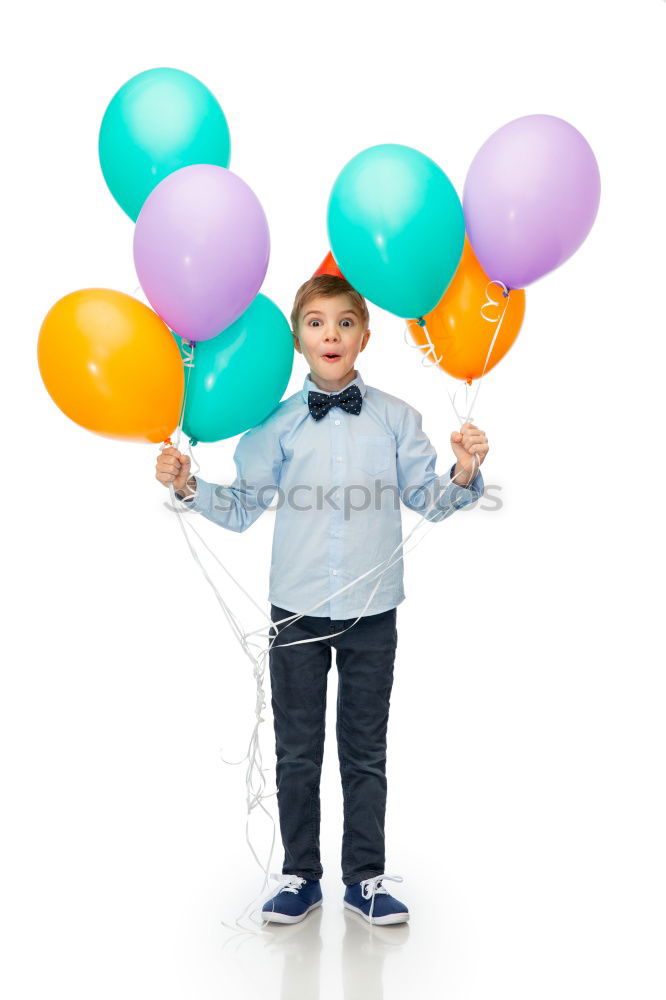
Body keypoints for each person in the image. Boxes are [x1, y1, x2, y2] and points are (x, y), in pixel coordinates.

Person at [155, 274, 489, 925]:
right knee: (298, 748)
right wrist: (191, 485)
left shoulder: (398, 418)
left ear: (365, 336)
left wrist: (466, 473)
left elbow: (430, 500)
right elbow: (245, 505)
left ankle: (364, 878)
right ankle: (298, 876)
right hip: (296, 612)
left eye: (343, 322)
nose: (330, 334)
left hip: (373, 611)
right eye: (315, 322)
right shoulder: (276, 423)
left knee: (365, 749)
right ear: (298, 339)